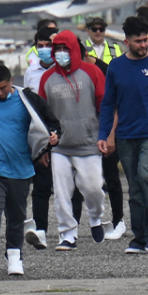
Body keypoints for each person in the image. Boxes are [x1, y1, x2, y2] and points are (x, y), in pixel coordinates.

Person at [97, 15, 148, 254]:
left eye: (146, 40)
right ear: (127, 42)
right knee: (134, 185)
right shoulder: (116, 67)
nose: (143, 45)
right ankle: (139, 236)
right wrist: (104, 134)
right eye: (138, 41)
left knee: (145, 176)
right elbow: (108, 103)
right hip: (125, 135)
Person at [0, 65, 60, 276]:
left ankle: (14, 256)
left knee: (16, 216)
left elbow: (50, 122)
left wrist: (53, 137)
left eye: (3, 88)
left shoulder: (27, 99)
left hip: (21, 168)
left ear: (11, 81)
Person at [39, 30, 108, 248]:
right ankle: (67, 233)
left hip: (88, 144)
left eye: (65, 49)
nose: (61, 53)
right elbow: (41, 114)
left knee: (93, 188)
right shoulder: (47, 78)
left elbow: (105, 106)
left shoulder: (92, 72)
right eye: (57, 49)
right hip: (59, 146)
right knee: (61, 193)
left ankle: (96, 217)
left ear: (74, 49)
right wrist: (44, 146)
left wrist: (106, 136)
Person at [23, 24, 60, 249]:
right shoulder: (31, 72)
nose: (44, 49)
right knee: (41, 186)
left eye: (49, 45)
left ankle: (70, 229)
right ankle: (40, 230)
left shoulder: (62, 69)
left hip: (63, 131)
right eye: (40, 46)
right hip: (41, 133)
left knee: (69, 187)